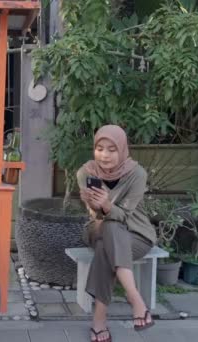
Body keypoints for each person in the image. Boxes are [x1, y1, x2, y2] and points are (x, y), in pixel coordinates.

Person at [76, 125, 157, 342]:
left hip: (136, 235)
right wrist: (94, 205)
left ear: (122, 149)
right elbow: (97, 217)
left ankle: (99, 322)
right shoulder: (86, 173)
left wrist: (107, 204)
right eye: (99, 148)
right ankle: (136, 300)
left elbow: (125, 215)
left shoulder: (137, 174)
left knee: (108, 242)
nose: (104, 155)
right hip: (98, 228)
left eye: (112, 149)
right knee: (108, 229)